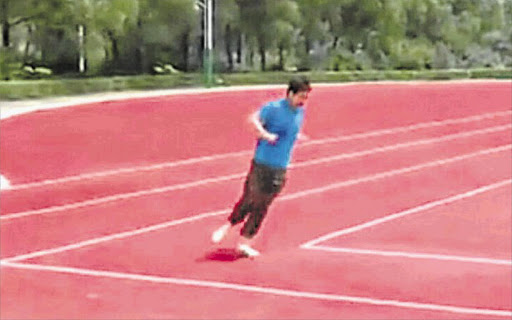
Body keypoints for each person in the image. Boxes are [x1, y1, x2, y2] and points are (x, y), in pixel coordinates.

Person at [211, 76, 312, 257]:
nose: (303, 101)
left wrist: (297, 136)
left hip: (281, 168)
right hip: (262, 163)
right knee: (250, 198)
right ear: (290, 93)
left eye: (306, 97)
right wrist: (265, 134)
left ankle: (245, 242)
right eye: (301, 96)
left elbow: (291, 130)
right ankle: (229, 225)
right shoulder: (273, 108)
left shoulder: (299, 112)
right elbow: (252, 120)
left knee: (263, 205)